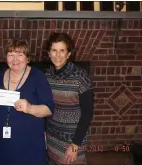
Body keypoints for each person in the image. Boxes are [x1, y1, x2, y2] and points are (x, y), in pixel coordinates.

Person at [0, 39, 54, 165]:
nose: (15, 59)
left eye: (20, 55)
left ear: (27, 58)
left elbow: (49, 109)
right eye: (11, 55)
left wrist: (30, 108)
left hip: (29, 142)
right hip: (5, 142)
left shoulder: (37, 76)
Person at [44, 32, 94, 165]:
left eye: (62, 51)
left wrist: (75, 144)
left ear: (69, 54)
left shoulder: (80, 76)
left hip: (72, 140)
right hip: (52, 136)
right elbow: (45, 106)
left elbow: (87, 113)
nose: (58, 55)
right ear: (49, 53)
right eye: (54, 50)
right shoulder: (47, 75)